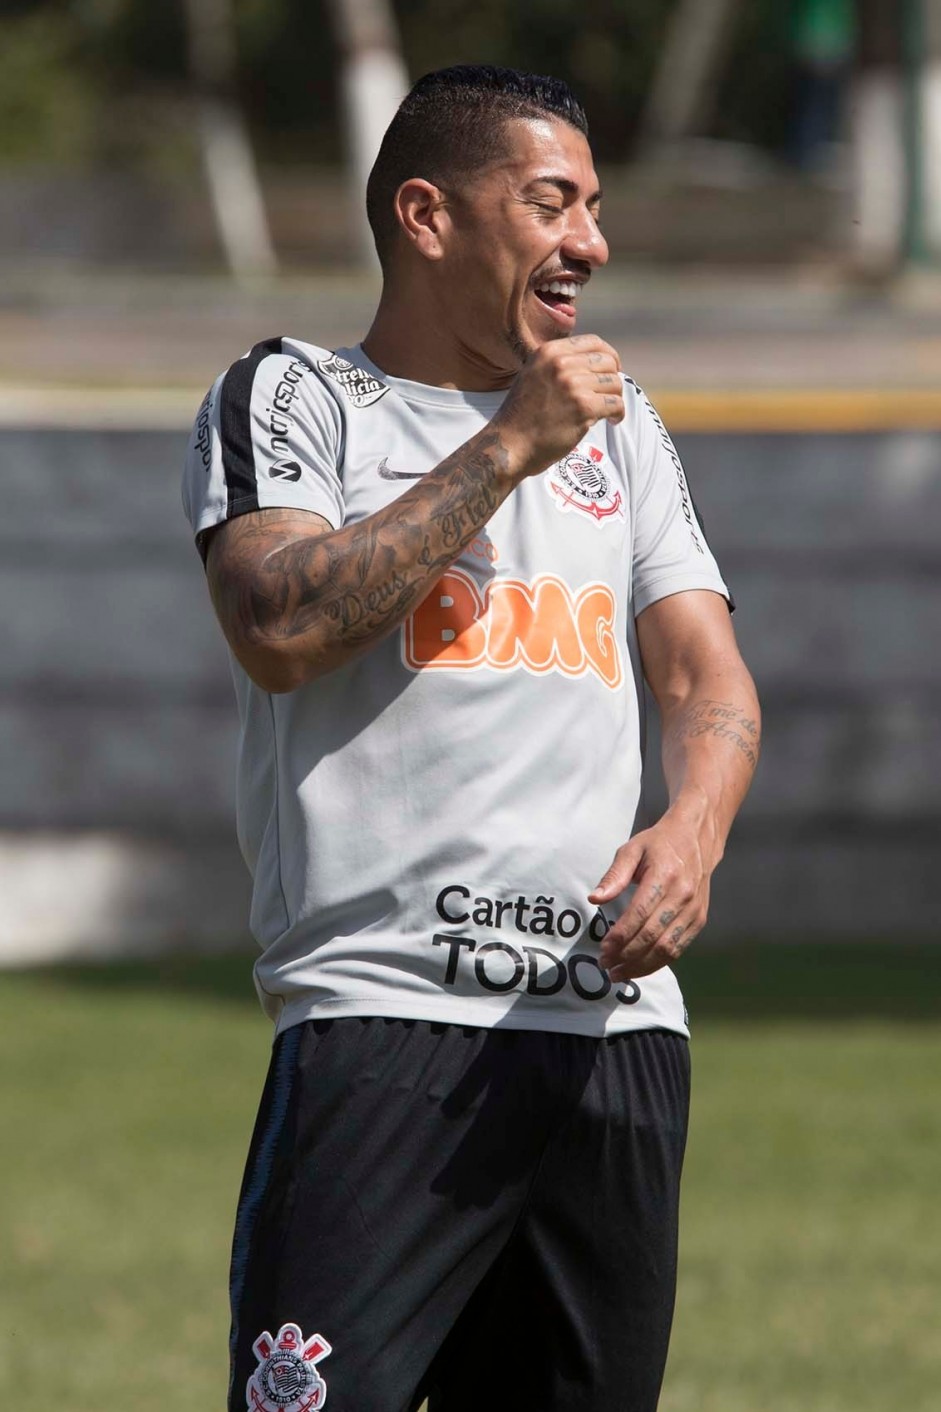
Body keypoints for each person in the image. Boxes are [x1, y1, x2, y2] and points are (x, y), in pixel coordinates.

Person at [182, 65, 760, 1412]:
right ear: (428, 215)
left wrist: (693, 833)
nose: (590, 245)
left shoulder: (629, 434)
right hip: (385, 1025)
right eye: (550, 202)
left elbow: (705, 677)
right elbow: (277, 627)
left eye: (595, 209)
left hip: (613, 1044)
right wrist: (508, 445)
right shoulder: (295, 400)